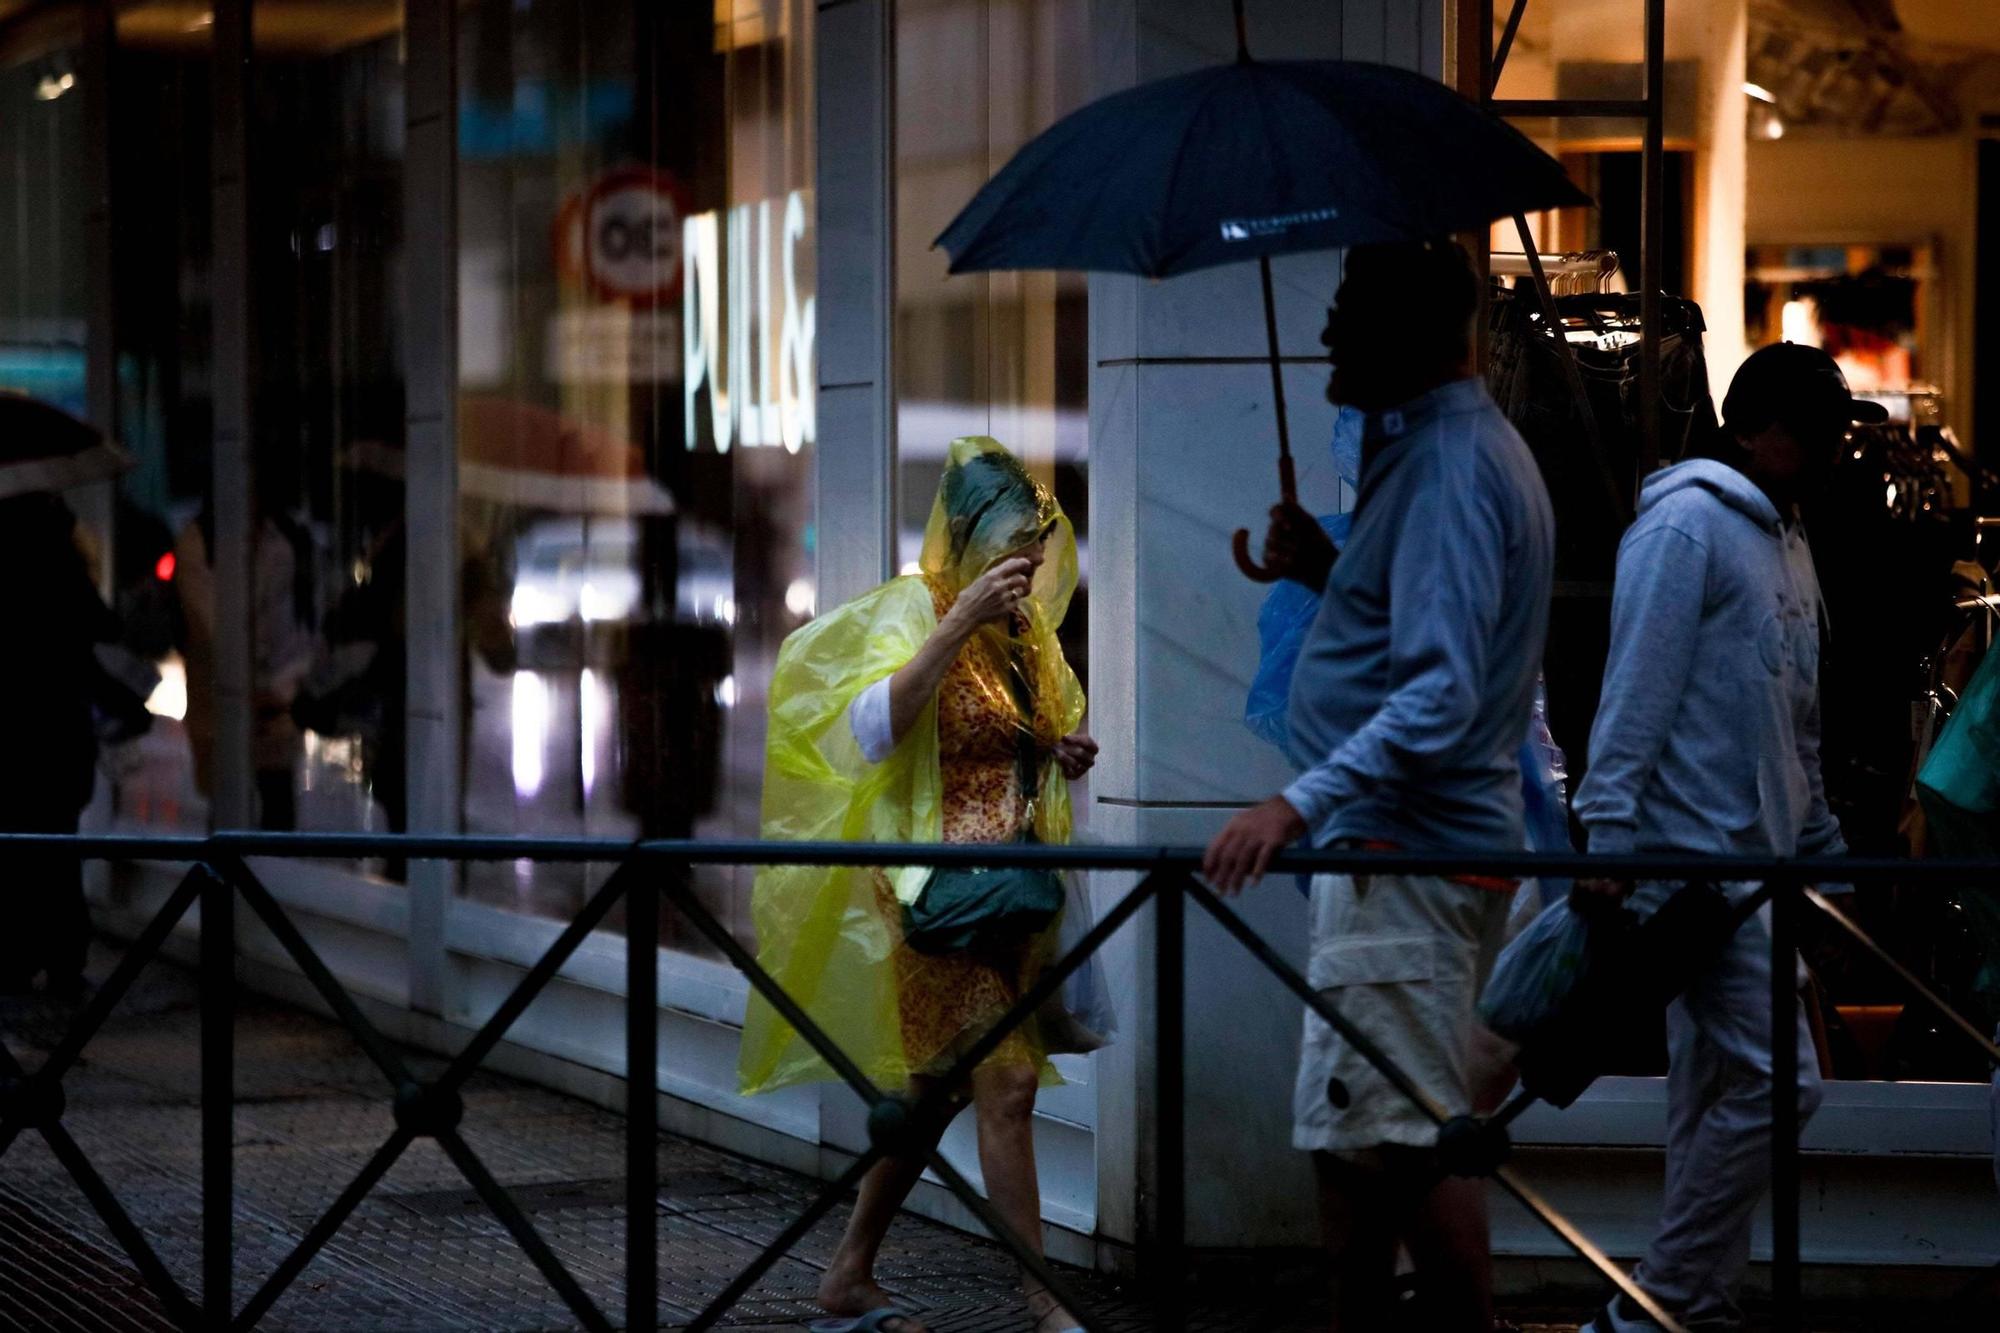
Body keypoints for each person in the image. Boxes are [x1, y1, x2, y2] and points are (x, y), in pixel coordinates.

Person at [1203, 239, 1556, 1332]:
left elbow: (1442, 690)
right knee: (1363, 1135)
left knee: (1401, 1135)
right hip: (1407, 849)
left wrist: (1297, 801)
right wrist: (1327, 569)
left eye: (1348, 314)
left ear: (1406, 337)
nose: (1325, 333)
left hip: (1404, 852)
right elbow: (1424, 624)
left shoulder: (1448, 466)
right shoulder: (1440, 454)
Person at [739, 437, 1104, 1333]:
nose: (1029, 564)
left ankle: (848, 1272)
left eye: (1038, 546)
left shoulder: (1025, 636)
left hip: (1013, 892)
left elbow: (998, 743)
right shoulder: (918, 609)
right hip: (934, 898)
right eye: (1015, 543)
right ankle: (1045, 1301)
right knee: (1007, 1086)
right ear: (970, 538)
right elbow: (870, 730)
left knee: (932, 1091)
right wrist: (955, 622)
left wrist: (1055, 751)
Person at [1573, 343, 1877, 1333]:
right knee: (1778, 1083)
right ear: (1751, 431)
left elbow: (1797, 723)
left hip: (1751, 869)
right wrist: (1610, 838)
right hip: (1692, 866)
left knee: (1712, 1091)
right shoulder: (1685, 528)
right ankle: (1657, 1301)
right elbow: (1633, 692)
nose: (1829, 452)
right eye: (1813, 432)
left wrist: (1823, 854)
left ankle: (1690, 1301)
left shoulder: (1785, 537)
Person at [0, 494, 128, 998]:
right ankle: (62, 957)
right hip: (61, 738)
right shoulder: (69, 582)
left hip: (12, 741)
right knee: (59, 848)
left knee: (14, 853)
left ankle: (14, 954)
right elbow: (106, 638)